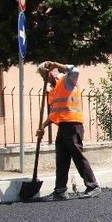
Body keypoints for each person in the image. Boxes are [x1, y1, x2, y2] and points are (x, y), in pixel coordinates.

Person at [36, 61, 100, 200]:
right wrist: (42, 126)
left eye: (44, 75)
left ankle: (93, 186)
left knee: (77, 156)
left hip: (73, 124)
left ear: (51, 72)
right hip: (63, 125)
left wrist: (55, 64)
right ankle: (60, 191)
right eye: (42, 77)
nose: (44, 79)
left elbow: (75, 70)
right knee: (61, 158)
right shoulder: (52, 90)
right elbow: (54, 113)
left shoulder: (67, 80)